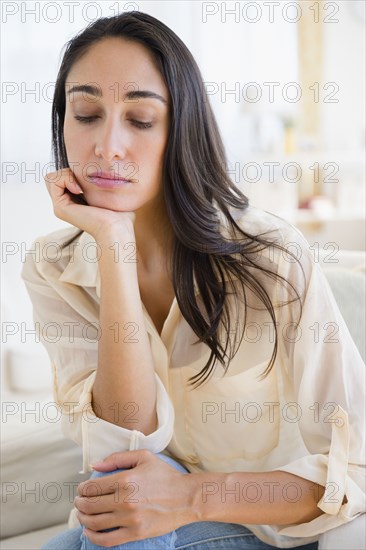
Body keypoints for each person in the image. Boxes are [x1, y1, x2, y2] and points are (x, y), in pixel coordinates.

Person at [21, 10, 365, 550]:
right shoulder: (54, 266)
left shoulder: (271, 258)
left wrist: (188, 498)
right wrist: (114, 246)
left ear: (181, 128)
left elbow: (357, 471)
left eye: (139, 120)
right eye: (86, 113)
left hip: (263, 533)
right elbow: (123, 440)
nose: (107, 146)